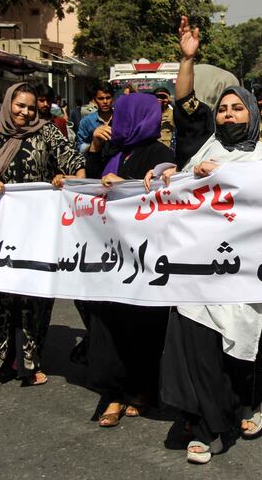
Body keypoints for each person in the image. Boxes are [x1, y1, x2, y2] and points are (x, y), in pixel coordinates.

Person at [143, 16, 262, 465]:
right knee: (196, 339)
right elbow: (184, 110)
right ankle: (205, 423)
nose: (228, 115)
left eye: (237, 109)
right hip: (198, 263)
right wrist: (165, 173)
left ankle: (251, 399)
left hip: (244, 266)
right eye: (223, 109)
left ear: (252, 114)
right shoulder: (205, 148)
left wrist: (226, 176)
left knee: (241, 339)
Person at [0, 82, 86, 386]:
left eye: (31, 107)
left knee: (35, 296)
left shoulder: (46, 134)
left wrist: (65, 177)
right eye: (20, 106)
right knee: (1, 297)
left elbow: (77, 163)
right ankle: (3, 358)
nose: (26, 112)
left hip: (38, 232)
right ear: (9, 105)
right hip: (3, 235)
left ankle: (32, 362)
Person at [78, 93, 175, 428]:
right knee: (109, 325)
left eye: (121, 114)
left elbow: (166, 196)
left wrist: (126, 186)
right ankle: (114, 394)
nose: (113, 119)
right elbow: (88, 185)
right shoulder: (113, 149)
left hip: (143, 257)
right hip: (108, 253)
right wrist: (93, 150)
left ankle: (140, 391)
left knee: (141, 327)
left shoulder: (160, 153)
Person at [77, 83, 114, 153]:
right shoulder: (86, 121)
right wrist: (94, 144)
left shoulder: (121, 119)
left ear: (112, 98)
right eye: (101, 98)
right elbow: (80, 146)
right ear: (95, 100)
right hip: (95, 161)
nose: (105, 102)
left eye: (108, 98)